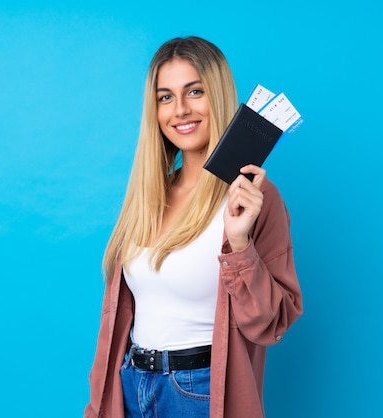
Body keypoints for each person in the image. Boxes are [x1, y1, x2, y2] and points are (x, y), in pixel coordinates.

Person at [84, 36, 303, 418]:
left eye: (195, 91)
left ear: (217, 94)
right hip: (132, 386)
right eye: (165, 97)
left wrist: (239, 244)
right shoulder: (148, 196)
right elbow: (116, 326)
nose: (180, 110)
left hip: (199, 393)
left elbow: (271, 323)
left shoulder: (252, 198)